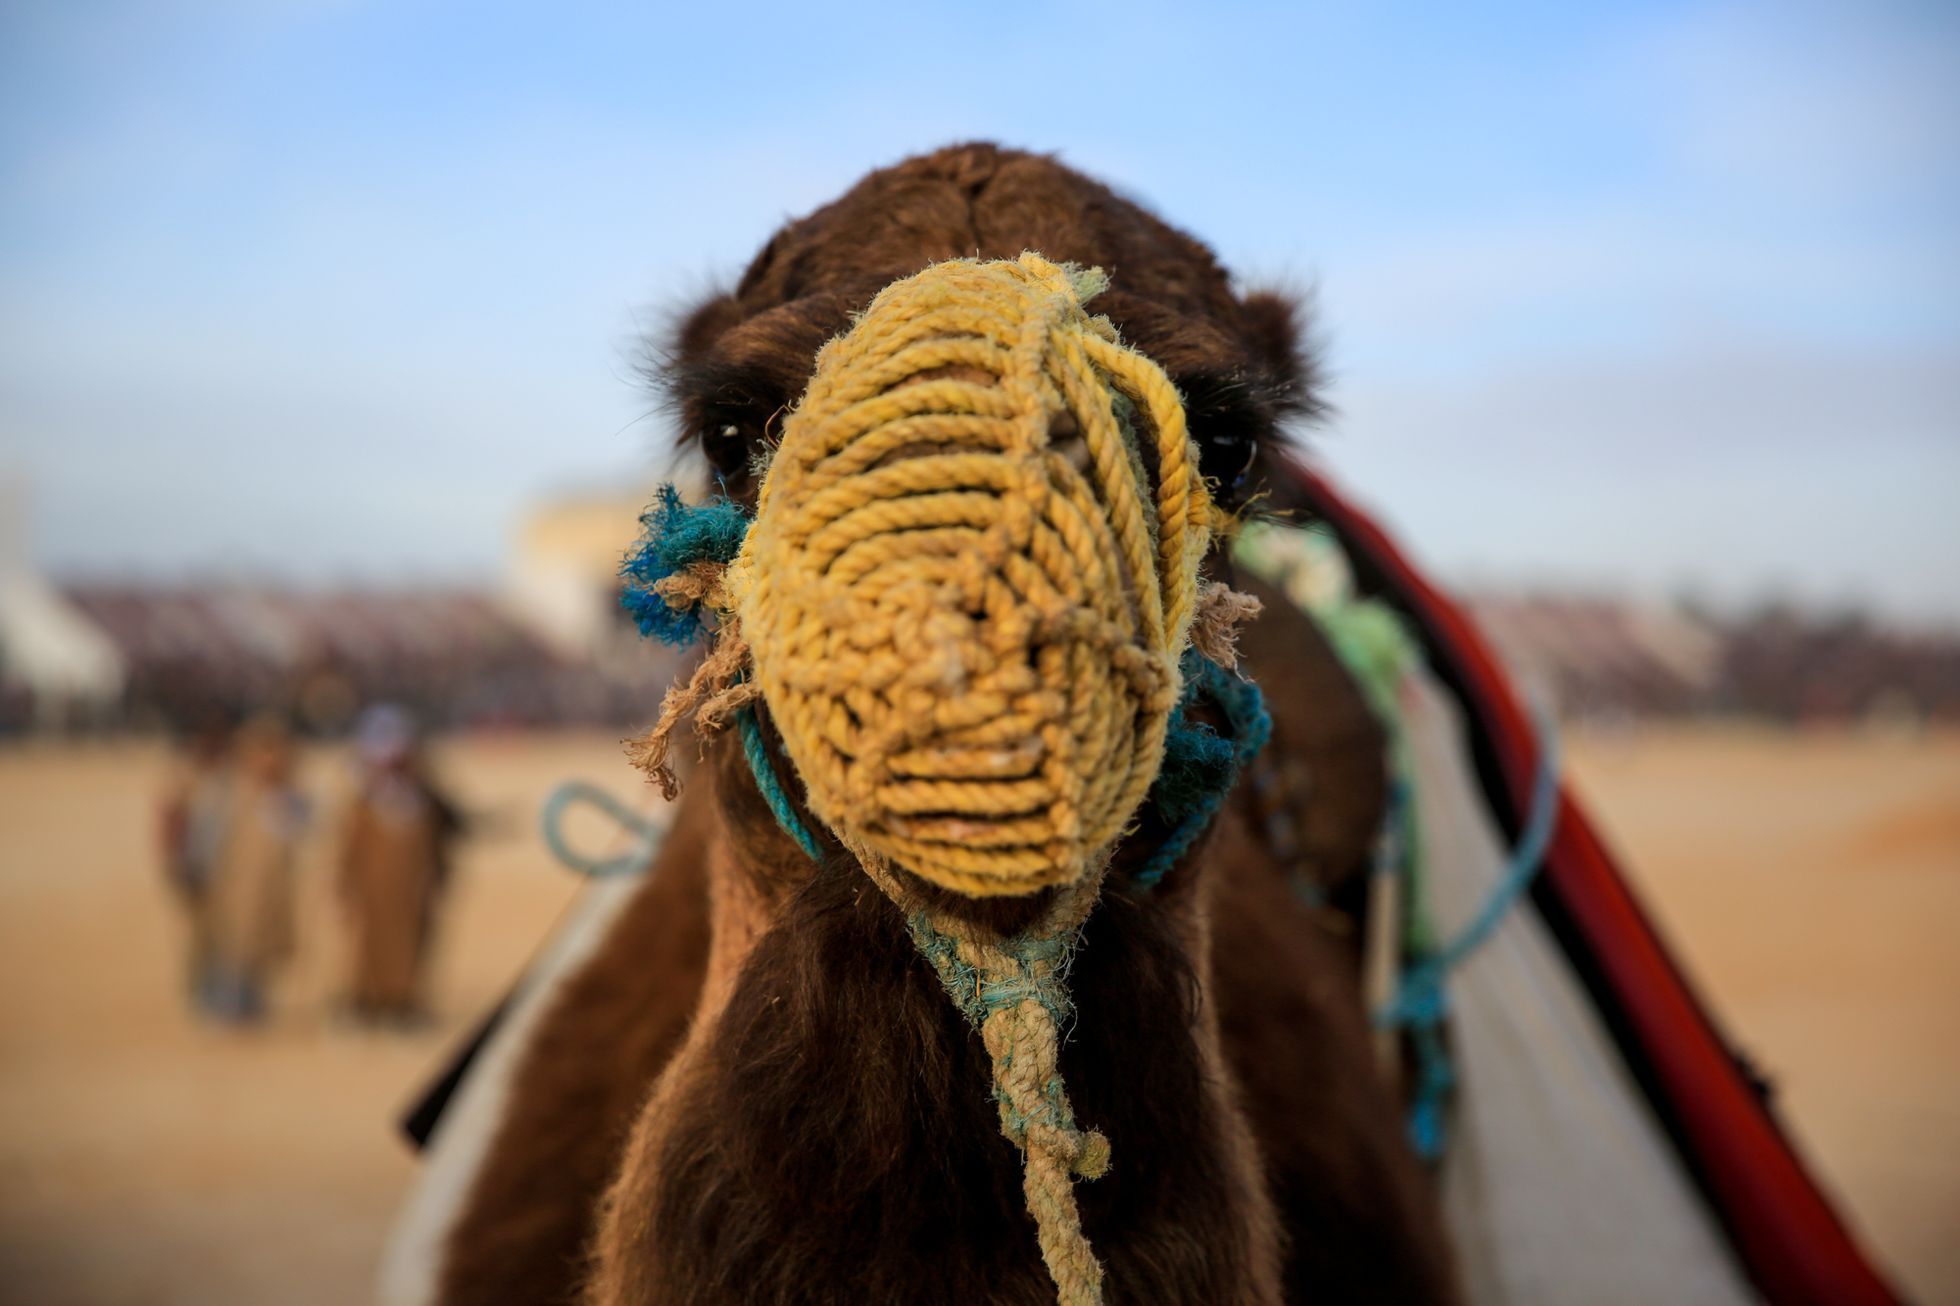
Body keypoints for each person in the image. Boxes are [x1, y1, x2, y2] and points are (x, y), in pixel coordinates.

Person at [337, 704, 462, 1026]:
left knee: (413, 946)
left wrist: (439, 875)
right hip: (374, 893)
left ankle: (404, 1002)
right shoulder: (364, 803)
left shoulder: (424, 802)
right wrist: (346, 884)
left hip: (413, 892)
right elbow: (350, 850)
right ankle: (369, 1000)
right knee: (371, 946)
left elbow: (439, 842)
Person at [196, 714, 309, 1024]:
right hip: (233, 888)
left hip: (271, 892)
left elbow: (305, 830)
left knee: (262, 947)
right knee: (231, 944)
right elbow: (208, 840)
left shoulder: (287, 798)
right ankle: (225, 1002)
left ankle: (252, 1000)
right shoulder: (229, 793)